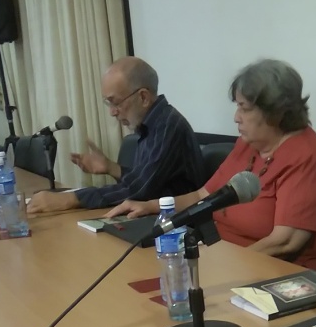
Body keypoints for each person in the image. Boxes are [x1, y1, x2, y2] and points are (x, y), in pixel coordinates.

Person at [107, 59, 316, 276]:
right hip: (226, 262)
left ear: (275, 112)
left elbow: (284, 241)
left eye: (244, 108)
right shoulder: (250, 144)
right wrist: (149, 206)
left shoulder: (308, 157)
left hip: (282, 275)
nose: (236, 117)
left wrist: (219, 267)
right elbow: (203, 195)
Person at [27, 56, 205, 213]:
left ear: (143, 97)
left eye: (115, 102)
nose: (112, 112)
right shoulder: (152, 123)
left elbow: (139, 191)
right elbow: (142, 180)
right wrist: (110, 167)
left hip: (180, 229)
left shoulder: (167, 126)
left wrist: (71, 199)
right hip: (154, 217)